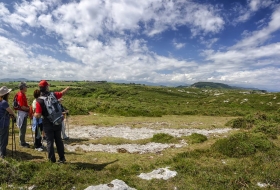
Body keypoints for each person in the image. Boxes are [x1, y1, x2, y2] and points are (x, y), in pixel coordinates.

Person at [34, 80, 70, 163]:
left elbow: (38, 115)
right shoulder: (53, 95)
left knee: (50, 141)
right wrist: (67, 88)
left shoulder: (39, 101)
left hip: (47, 123)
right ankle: (62, 158)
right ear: (46, 87)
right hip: (57, 121)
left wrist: (34, 115)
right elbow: (62, 93)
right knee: (59, 140)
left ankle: (52, 160)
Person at [0, 86, 17, 158]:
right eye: (8, 93)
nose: (9, 94)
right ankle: (2, 154)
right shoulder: (4, 103)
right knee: (4, 139)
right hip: (3, 124)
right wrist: (14, 116)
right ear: (6, 95)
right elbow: (11, 112)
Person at [16, 82, 30, 148]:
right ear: (23, 88)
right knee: (22, 128)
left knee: (23, 128)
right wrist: (29, 109)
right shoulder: (21, 95)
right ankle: (22, 143)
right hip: (22, 113)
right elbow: (22, 107)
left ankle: (22, 141)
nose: (26, 87)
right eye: (26, 86)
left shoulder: (21, 94)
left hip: (22, 113)